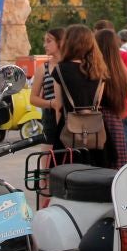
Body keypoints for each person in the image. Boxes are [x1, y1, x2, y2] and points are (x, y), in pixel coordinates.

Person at [52, 25, 111, 168]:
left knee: (67, 176)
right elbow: (97, 102)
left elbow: (58, 106)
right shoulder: (99, 71)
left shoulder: (60, 70)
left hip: (68, 131)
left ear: (69, 43)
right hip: (96, 132)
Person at [94, 29, 127, 167]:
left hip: (100, 119)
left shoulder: (95, 67)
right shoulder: (119, 66)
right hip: (118, 117)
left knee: (100, 166)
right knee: (118, 165)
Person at [29, 28, 64, 148]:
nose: (45, 45)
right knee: (49, 158)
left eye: (49, 41)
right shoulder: (42, 68)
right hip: (50, 118)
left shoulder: (72, 64)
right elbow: (33, 98)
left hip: (71, 117)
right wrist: (51, 103)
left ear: (61, 42)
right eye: (45, 41)